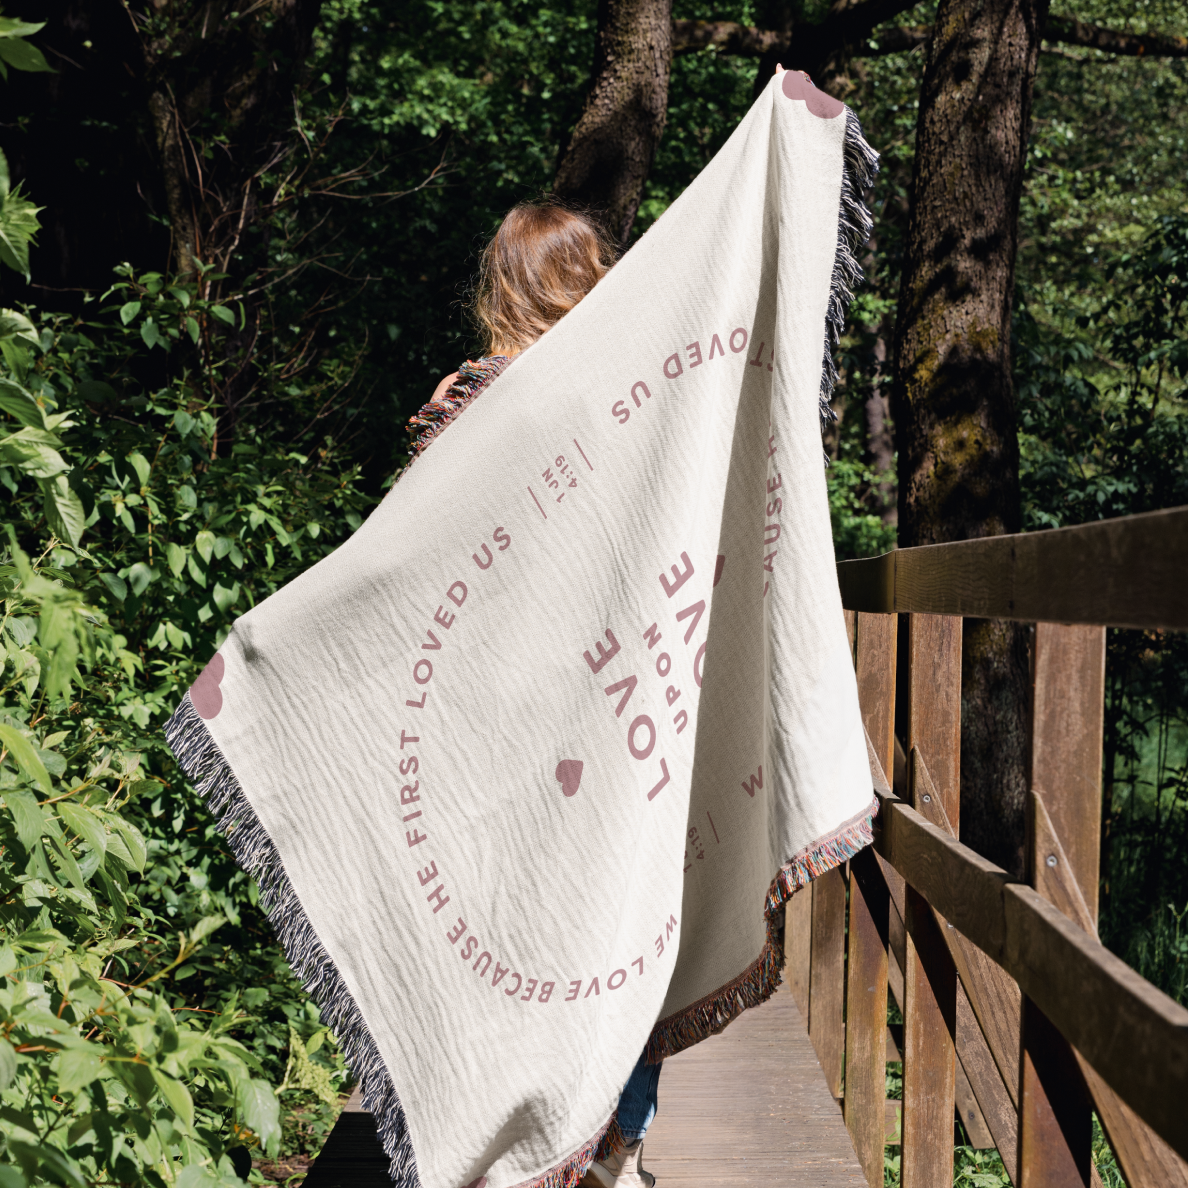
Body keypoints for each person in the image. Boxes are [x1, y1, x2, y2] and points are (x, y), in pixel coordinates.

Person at [403, 200, 660, 1188]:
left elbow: (416, 560)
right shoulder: (619, 398)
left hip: (485, 713)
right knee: (622, 926)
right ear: (589, 284)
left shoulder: (456, 399)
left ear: (502, 286)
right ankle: (614, 1142)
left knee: (503, 932)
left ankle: (501, 1141)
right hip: (603, 711)